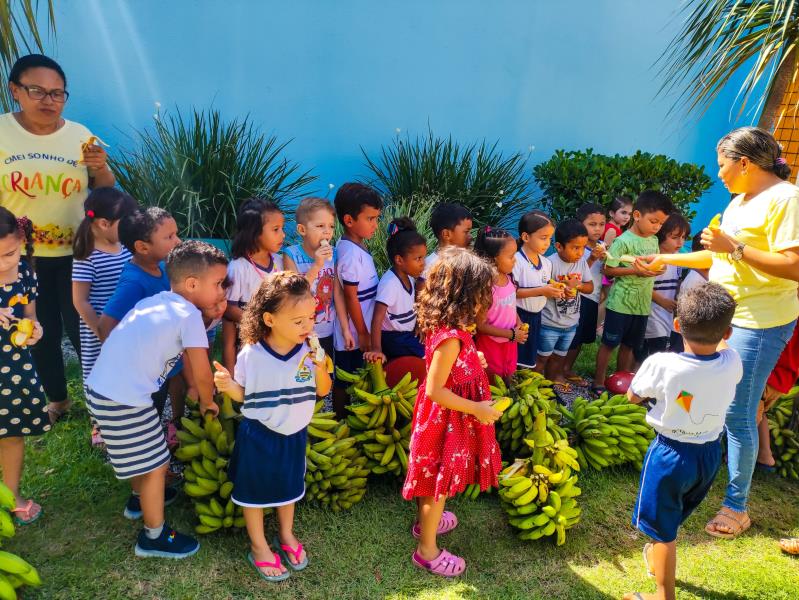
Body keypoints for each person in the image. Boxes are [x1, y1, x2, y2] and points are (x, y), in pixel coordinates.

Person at [647, 127, 799, 539]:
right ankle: (702, 475)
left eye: (723, 166)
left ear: (745, 163)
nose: (719, 175)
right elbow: (718, 255)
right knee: (708, 394)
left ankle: (737, 505)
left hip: (761, 320)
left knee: (739, 411)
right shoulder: (740, 200)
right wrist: (663, 258)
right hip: (725, 315)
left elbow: (793, 265)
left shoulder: (786, 199)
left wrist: (733, 247)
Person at [85, 241, 226, 558]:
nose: (221, 292)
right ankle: (153, 536)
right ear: (192, 284)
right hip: (124, 401)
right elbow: (202, 371)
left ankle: (139, 500)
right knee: (157, 465)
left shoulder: (158, 301)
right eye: (217, 284)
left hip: (104, 390)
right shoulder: (189, 316)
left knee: (144, 456)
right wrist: (207, 400)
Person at [0, 54, 116, 423]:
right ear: (15, 90)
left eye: (57, 93)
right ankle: (57, 400)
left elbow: (105, 190)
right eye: (37, 91)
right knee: (38, 329)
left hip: (77, 254)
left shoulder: (80, 135)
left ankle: (104, 402)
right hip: (20, 259)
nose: (48, 101)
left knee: (85, 327)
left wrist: (100, 169)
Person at [624, 282, 742, 600]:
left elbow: (632, 396)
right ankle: (658, 558)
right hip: (708, 455)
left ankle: (664, 596)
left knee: (663, 532)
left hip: (670, 455)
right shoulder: (732, 361)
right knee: (671, 522)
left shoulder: (661, 364)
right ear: (728, 332)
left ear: (677, 325)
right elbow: (724, 352)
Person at [213, 272, 332, 582]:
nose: (307, 327)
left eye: (310, 318)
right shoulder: (251, 355)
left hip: (294, 435)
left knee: (288, 487)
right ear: (269, 318)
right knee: (253, 493)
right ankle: (258, 545)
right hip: (260, 435)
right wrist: (228, 387)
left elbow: (322, 390)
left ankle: (287, 534)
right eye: (298, 321)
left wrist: (320, 367)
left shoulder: (310, 353)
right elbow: (245, 394)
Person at [402, 247, 502, 577]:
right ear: (464, 296)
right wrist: (476, 407)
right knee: (436, 486)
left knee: (432, 480)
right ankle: (427, 551)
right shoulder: (451, 339)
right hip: (445, 422)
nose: (485, 301)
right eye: (482, 294)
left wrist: (474, 364)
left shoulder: (452, 329)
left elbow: (447, 372)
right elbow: (435, 389)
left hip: (444, 419)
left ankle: (425, 522)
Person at [71, 188, 138, 447]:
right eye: (126, 223)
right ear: (103, 223)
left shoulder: (122, 246)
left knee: (124, 369)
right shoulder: (87, 256)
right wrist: (100, 331)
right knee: (98, 374)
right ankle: (99, 425)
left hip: (125, 325)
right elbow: (80, 300)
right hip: (99, 329)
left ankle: (123, 415)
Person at [592, 191, 673, 394]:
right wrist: (634, 270)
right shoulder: (623, 241)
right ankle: (599, 381)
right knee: (609, 343)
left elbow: (653, 264)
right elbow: (608, 270)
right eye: (653, 221)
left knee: (629, 345)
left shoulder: (653, 241)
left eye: (661, 224)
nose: (657, 227)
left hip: (642, 304)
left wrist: (659, 268)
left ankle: (622, 379)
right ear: (637, 216)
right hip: (620, 303)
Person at [0, 209, 47, 525]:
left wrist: (35, 329)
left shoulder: (26, 276)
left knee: (12, 434)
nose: (5, 262)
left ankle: (11, 495)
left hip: (13, 369)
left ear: (20, 242)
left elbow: (30, 316)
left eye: (10, 253)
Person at [332, 183, 382, 416]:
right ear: (349, 220)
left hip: (361, 325)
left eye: (376, 218)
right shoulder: (350, 255)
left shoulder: (355, 246)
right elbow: (351, 297)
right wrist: (363, 332)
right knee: (345, 377)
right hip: (353, 332)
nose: (375, 224)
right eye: (370, 219)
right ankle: (341, 418)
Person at [223, 198, 285, 374]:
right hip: (249, 342)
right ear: (255, 232)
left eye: (282, 228)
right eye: (275, 230)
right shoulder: (238, 267)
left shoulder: (280, 262)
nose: (283, 235)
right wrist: (260, 323)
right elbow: (228, 308)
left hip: (277, 339)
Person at [283, 197, 342, 360]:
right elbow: (294, 293)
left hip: (328, 331)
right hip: (301, 332)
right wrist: (317, 265)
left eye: (331, 226)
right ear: (302, 230)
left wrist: (344, 328)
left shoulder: (335, 254)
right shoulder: (291, 255)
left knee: (326, 374)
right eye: (320, 226)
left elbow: (338, 293)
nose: (327, 232)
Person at [538, 219, 593, 385]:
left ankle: (550, 385)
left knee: (559, 357)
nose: (580, 253)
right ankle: (535, 387)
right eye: (575, 248)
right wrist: (560, 290)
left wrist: (579, 286)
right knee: (541, 358)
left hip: (570, 323)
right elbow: (543, 288)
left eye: (583, 247)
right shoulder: (549, 263)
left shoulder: (582, 263)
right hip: (549, 322)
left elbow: (590, 287)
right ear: (559, 246)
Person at [366, 218, 427, 361]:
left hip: (407, 334)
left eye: (423, 258)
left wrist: (418, 325)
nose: (423, 264)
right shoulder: (390, 283)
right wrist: (376, 350)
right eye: (418, 258)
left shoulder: (410, 277)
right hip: (393, 338)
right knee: (428, 354)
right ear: (399, 260)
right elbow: (377, 319)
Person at [474, 226, 528, 382]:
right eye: (511, 256)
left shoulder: (509, 278)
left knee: (509, 373)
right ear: (494, 258)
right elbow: (481, 325)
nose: (515, 260)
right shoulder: (487, 287)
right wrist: (511, 334)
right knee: (492, 379)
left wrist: (518, 323)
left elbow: (510, 307)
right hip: (491, 344)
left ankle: (510, 399)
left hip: (510, 341)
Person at [636, 213, 690, 362]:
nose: (680, 242)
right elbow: (643, 284)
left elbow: (677, 282)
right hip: (651, 312)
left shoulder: (678, 258)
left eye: (683, 237)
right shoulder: (654, 258)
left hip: (667, 315)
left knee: (663, 350)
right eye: (674, 237)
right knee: (649, 352)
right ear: (661, 235)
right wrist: (662, 301)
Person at [512, 210, 563, 370]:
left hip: (536, 316)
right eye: (543, 238)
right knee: (515, 356)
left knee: (528, 357)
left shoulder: (546, 263)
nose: (548, 243)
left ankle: (522, 387)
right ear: (526, 237)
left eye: (550, 238)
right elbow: (512, 292)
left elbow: (545, 285)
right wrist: (542, 291)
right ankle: (509, 387)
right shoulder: (515, 260)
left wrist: (559, 290)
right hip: (517, 314)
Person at [563, 203, 606, 383]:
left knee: (581, 338)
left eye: (602, 224)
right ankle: (560, 368)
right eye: (592, 224)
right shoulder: (578, 250)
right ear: (581, 225)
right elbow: (576, 275)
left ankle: (567, 368)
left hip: (593, 297)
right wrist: (592, 258)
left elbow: (606, 273)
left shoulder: (603, 246)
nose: (598, 229)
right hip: (579, 296)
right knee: (571, 336)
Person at [422, 202, 472, 278]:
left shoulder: (467, 262)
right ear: (446, 234)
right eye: (466, 232)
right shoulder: (429, 266)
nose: (470, 236)